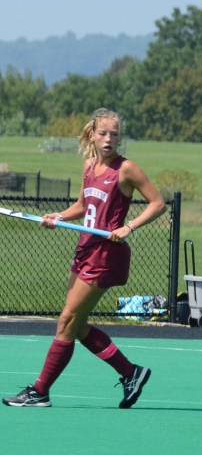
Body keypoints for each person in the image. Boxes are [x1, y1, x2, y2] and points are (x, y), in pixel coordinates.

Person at [3, 108, 166, 408]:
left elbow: (158, 203)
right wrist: (59, 216)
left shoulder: (126, 169)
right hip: (85, 250)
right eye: (103, 133)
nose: (109, 139)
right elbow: (83, 205)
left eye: (114, 134)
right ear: (93, 134)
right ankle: (130, 372)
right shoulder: (89, 165)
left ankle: (40, 391)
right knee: (76, 325)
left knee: (67, 319)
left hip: (106, 254)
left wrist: (128, 227)